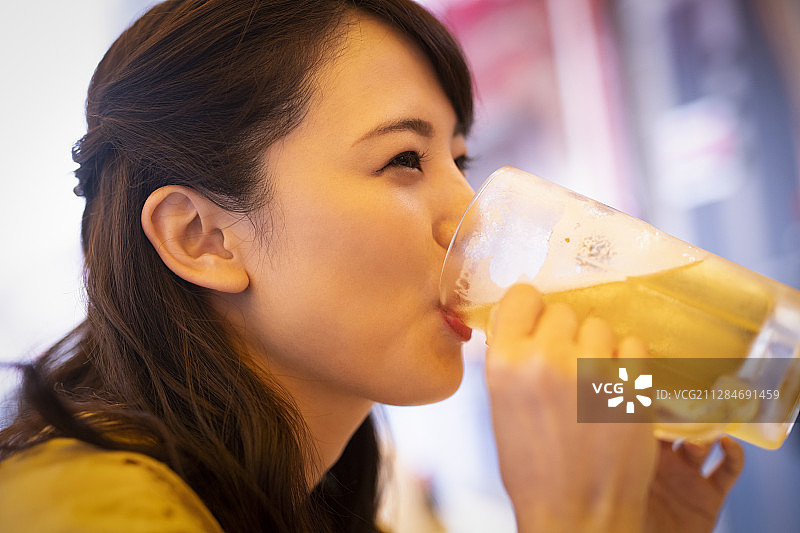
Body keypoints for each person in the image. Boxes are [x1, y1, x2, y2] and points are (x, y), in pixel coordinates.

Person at [0, 1, 743, 532]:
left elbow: (767, 379)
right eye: (404, 159)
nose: (471, 216)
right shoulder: (81, 510)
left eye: (460, 161)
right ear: (203, 238)